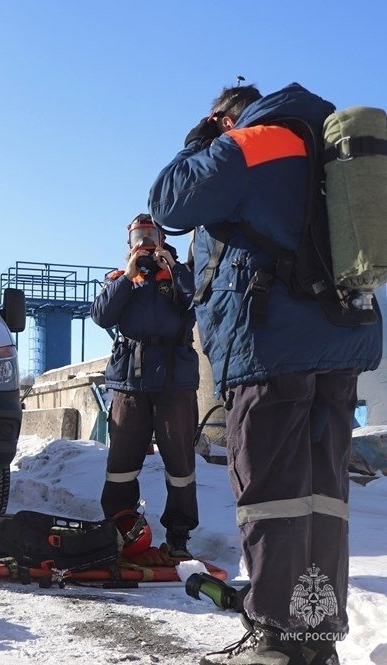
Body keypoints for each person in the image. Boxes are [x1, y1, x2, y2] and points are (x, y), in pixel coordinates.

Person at [149, 82, 382, 665]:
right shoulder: (326, 146)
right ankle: (313, 637)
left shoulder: (254, 141)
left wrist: (196, 144)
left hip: (272, 345)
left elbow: (169, 203)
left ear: (225, 117)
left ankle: (277, 640)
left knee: (272, 494)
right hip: (340, 341)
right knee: (321, 494)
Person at [90, 214, 199, 559]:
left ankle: (178, 536)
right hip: (130, 382)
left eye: (151, 235)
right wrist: (127, 273)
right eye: (139, 236)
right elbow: (102, 315)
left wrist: (174, 267)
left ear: (164, 239)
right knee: (122, 464)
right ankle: (120, 529)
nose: (145, 242)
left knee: (180, 464)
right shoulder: (122, 279)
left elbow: (199, 301)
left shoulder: (180, 276)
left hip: (174, 380)